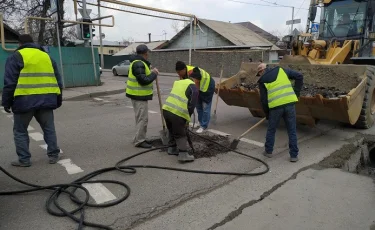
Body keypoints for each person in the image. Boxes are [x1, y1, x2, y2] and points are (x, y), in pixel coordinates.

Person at [1, 34, 63, 167]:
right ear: (32, 43)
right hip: (46, 99)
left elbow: (10, 82)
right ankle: (53, 155)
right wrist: (59, 97)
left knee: (20, 131)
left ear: (19, 44)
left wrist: (6, 101)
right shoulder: (46, 56)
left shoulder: (16, 56)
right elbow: (58, 79)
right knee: (49, 128)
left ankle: (24, 159)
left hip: (24, 100)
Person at [256, 63, 303, 162]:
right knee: (292, 130)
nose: (259, 76)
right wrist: (296, 92)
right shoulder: (281, 70)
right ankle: (294, 156)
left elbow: (264, 100)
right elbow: (299, 76)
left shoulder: (262, 80)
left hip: (276, 107)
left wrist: (267, 114)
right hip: (290, 104)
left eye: (259, 73)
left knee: (271, 130)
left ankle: (268, 151)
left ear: (261, 71)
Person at [125, 44, 159, 149]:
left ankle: (139, 138)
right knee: (142, 119)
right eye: (147, 52)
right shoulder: (138, 63)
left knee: (140, 118)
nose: (148, 54)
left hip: (138, 95)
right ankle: (140, 141)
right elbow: (143, 80)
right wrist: (154, 74)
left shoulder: (139, 63)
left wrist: (151, 71)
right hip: (138, 96)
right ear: (145, 53)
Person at [162, 70, 198, 162]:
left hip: (166, 109)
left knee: (172, 130)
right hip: (177, 113)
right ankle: (183, 155)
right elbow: (191, 106)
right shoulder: (193, 87)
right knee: (181, 133)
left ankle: (172, 148)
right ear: (195, 79)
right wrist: (186, 120)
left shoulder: (179, 82)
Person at [175, 61, 215, 133]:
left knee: (205, 107)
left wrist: (193, 97)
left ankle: (203, 126)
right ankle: (200, 122)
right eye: (177, 72)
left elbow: (196, 84)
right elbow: (183, 85)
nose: (178, 74)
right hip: (199, 87)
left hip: (208, 87)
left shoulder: (192, 72)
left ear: (184, 69)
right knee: (198, 106)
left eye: (179, 72)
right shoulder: (183, 73)